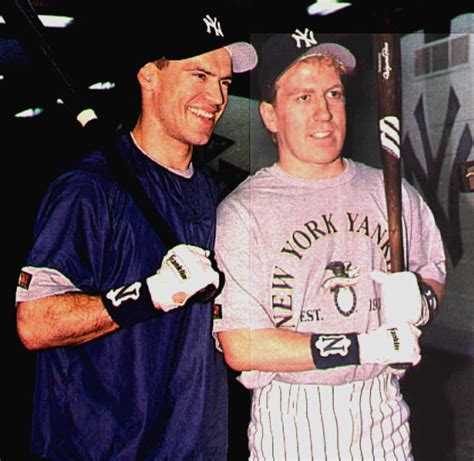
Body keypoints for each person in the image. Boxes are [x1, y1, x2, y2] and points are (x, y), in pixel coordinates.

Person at [15, 10, 257, 460]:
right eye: (200, 74)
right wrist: (150, 294)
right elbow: (35, 323)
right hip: (100, 449)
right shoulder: (89, 189)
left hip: (192, 446)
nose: (216, 96)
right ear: (150, 76)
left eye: (224, 82)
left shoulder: (212, 192)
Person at [213, 30, 446, 460]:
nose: (324, 113)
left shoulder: (389, 191)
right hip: (292, 419)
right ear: (269, 115)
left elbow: (432, 270)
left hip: (383, 414)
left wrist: (421, 301)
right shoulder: (243, 211)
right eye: (303, 97)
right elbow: (241, 344)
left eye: (333, 94)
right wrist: (364, 345)